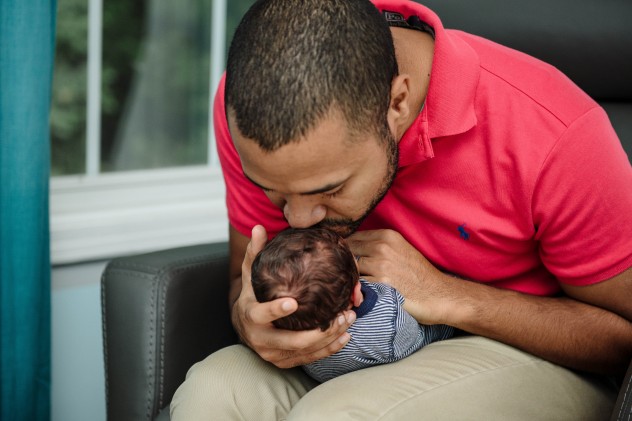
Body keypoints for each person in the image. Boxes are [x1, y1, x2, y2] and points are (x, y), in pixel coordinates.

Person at [171, 0, 632, 419]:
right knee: (211, 395)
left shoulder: (556, 131)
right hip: (346, 349)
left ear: (397, 102)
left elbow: (622, 338)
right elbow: (240, 283)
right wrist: (251, 322)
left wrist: (449, 296)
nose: (297, 220)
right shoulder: (255, 111)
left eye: (330, 188)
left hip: (530, 351)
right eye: (274, 191)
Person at [251, 227, 454, 382]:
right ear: (356, 295)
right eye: (356, 260)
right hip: (419, 343)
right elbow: (419, 332)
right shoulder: (388, 315)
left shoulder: (301, 348)